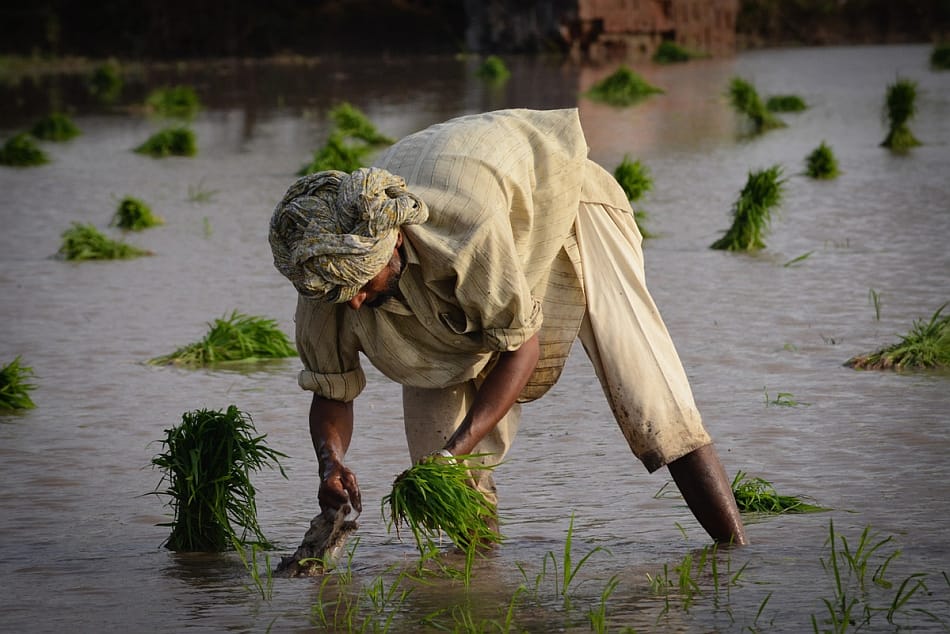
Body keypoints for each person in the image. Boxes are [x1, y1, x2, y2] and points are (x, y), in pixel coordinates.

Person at [268, 108, 747, 546]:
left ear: (392, 247)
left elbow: (522, 347)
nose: (351, 302)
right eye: (338, 291)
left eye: (360, 285)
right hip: (473, 225)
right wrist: (330, 463)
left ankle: (735, 556)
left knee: (648, 392)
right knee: (438, 465)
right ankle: (479, 589)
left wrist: (457, 451)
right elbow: (332, 390)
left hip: (562, 199)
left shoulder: (463, 234)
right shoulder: (325, 272)